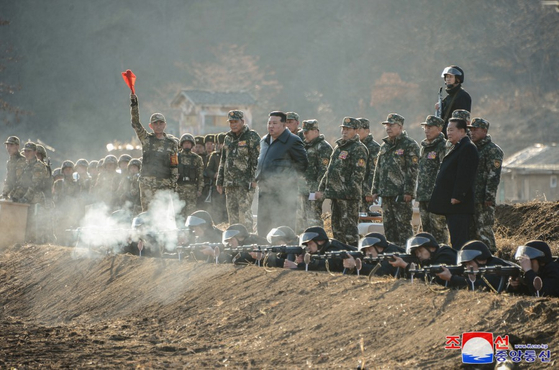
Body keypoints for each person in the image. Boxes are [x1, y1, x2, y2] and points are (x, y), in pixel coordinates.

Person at [428, 117, 479, 250]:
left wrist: (458, 196)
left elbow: (465, 175)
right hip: (451, 205)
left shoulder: (468, 147)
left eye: (451, 130)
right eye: (447, 130)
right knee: (455, 238)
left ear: (462, 131)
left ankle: (461, 267)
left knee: (460, 241)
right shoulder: (458, 146)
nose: (448, 133)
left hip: (459, 205)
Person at [255, 111, 308, 237]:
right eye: (269, 123)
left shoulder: (292, 140)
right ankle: (264, 254)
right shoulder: (264, 141)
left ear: (284, 125)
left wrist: (286, 178)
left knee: (282, 227)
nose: (271, 126)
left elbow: (303, 164)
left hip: (283, 193)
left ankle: (284, 255)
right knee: (263, 226)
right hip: (265, 191)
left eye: (275, 123)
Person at [316, 117, 368, 247]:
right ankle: (339, 258)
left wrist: (348, 193)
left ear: (356, 130)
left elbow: (358, 174)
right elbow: (329, 171)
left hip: (348, 197)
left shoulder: (358, 148)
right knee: (337, 230)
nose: (344, 131)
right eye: (343, 128)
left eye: (348, 129)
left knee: (349, 230)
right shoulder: (338, 147)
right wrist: (322, 188)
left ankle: (353, 257)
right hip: (335, 195)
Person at [371, 113, 420, 247]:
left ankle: (406, 257)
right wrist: (375, 190)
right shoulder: (384, 146)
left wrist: (409, 191)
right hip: (386, 194)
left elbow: (413, 170)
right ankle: (392, 257)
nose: (388, 128)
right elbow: (378, 169)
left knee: (403, 227)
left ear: (400, 126)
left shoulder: (409, 145)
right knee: (389, 228)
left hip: (401, 195)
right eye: (387, 125)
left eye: (391, 125)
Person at [129, 93, 179, 211]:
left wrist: (172, 184)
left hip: (164, 184)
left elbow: (174, 166)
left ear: (165, 125)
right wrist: (134, 104)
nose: (158, 125)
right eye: (155, 123)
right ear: (151, 126)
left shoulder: (172, 143)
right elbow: (135, 123)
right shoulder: (146, 139)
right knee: (147, 215)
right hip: (147, 184)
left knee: (162, 216)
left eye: (160, 123)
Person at [217, 110, 260, 231]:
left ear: (242, 121)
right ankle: (234, 240)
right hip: (230, 183)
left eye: (235, 121)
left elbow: (256, 160)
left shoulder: (251, 136)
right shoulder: (228, 138)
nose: (233, 124)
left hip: (245, 183)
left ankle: (247, 240)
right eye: (231, 122)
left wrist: (254, 179)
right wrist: (219, 181)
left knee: (244, 214)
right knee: (232, 215)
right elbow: (223, 160)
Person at [468, 118, 503, 252]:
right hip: (470, 198)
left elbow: (493, 176)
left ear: (484, 131)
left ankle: (491, 260)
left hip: (483, 200)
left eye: (475, 129)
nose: (472, 132)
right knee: (471, 234)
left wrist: (488, 197)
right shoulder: (470, 148)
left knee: (484, 232)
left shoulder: (492, 150)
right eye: (471, 129)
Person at [416, 115, 449, 244]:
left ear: (439, 128)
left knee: (438, 231)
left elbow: (444, 171)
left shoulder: (443, 146)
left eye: (430, 127)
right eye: (425, 127)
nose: (426, 130)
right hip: (423, 195)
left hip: (437, 196)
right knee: (426, 232)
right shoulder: (424, 147)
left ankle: (443, 257)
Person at [11, 142, 50, 243]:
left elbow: (34, 185)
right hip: (26, 199)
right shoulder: (25, 165)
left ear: (34, 152)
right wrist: (14, 196)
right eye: (25, 151)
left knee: (33, 225)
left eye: (29, 151)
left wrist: (25, 199)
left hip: (35, 200)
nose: (26, 153)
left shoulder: (39, 166)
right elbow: (21, 183)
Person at [438, 240, 513, 292]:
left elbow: (483, 285)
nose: (468, 268)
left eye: (470, 264)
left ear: (481, 260)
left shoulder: (495, 266)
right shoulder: (483, 267)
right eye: (466, 265)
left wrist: (452, 278)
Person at [298, 119, 332, 230]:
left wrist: (319, 190)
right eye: (303, 132)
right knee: (303, 220)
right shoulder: (303, 146)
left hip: (314, 191)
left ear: (316, 131)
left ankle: (317, 242)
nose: (304, 134)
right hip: (303, 190)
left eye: (307, 132)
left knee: (314, 220)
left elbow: (324, 171)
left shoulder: (323, 147)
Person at [390, 232, 457, 285]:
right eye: (416, 252)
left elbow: (434, 279)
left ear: (432, 248)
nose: (418, 255)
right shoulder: (429, 259)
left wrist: (406, 266)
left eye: (421, 251)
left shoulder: (445, 254)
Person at [283, 226, 355, 272]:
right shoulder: (319, 250)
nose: (308, 247)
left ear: (320, 241)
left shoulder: (332, 247)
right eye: (307, 245)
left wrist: (298, 266)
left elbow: (329, 264)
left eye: (310, 244)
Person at [437, 65, 472, 135]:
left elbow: (462, 121)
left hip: (456, 136)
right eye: (446, 77)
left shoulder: (462, 96)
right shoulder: (448, 98)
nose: (448, 79)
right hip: (446, 134)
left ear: (458, 79)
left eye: (451, 77)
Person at [176, 134, 204, 220]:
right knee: (179, 214)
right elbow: (171, 173)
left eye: (189, 143)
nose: (187, 145)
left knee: (190, 214)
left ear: (192, 145)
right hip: (179, 190)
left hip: (192, 190)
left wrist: (199, 189)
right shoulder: (176, 157)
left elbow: (200, 176)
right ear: (182, 144)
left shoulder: (197, 158)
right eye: (185, 143)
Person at [356, 118, 381, 214]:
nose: (356, 132)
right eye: (355, 129)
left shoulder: (374, 147)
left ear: (367, 131)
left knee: (365, 217)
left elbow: (373, 171)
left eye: (359, 129)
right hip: (355, 191)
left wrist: (369, 192)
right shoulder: (356, 146)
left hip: (366, 193)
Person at [53, 160, 80, 245]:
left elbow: (78, 199)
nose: (68, 171)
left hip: (72, 211)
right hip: (60, 210)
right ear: (63, 171)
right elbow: (54, 197)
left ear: (73, 171)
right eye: (66, 169)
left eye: (70, 169)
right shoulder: (58, 183)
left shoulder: (77, 184)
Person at [205, 133, 227, 224]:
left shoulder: (230, 155)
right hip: (216, 187)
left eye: (223, 143)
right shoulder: (214, 156)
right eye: (220, 143)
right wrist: (214, 174)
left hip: (228, 187)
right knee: (217, 209)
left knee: (227, 209)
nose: (221, 145)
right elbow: (208, 169)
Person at [2, 136, 26, 200]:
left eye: (11, 145)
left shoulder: (23, 161)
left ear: (17, 146)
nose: (8, 148)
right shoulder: (10, 162)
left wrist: (14, 196)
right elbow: (9, 180)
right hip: (13, 196)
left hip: (22, 196)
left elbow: (22, 181)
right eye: (7, 145)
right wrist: (4, 194)